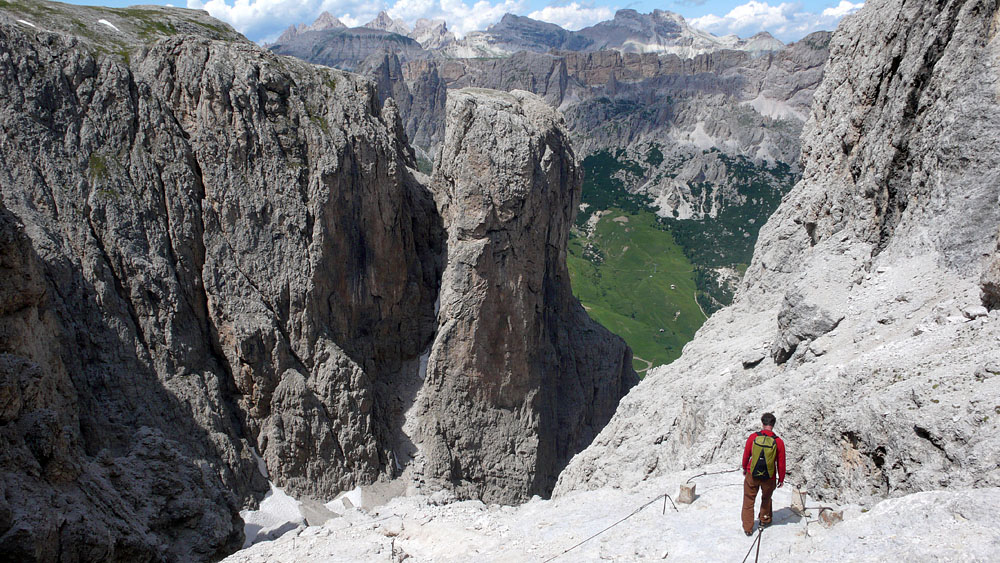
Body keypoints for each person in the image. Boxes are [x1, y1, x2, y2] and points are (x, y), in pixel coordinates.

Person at [740, 412, 785, 536]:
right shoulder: (778, 442)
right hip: (769, 477)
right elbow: (781, 463)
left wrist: (745, 468)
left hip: (752, 474)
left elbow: (746, 455)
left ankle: (748, 528)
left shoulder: (753, 437)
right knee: (766, 498)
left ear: (762, 423)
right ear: (773, 425)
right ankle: (764, 520)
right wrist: (781, 478)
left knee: (749, 500)